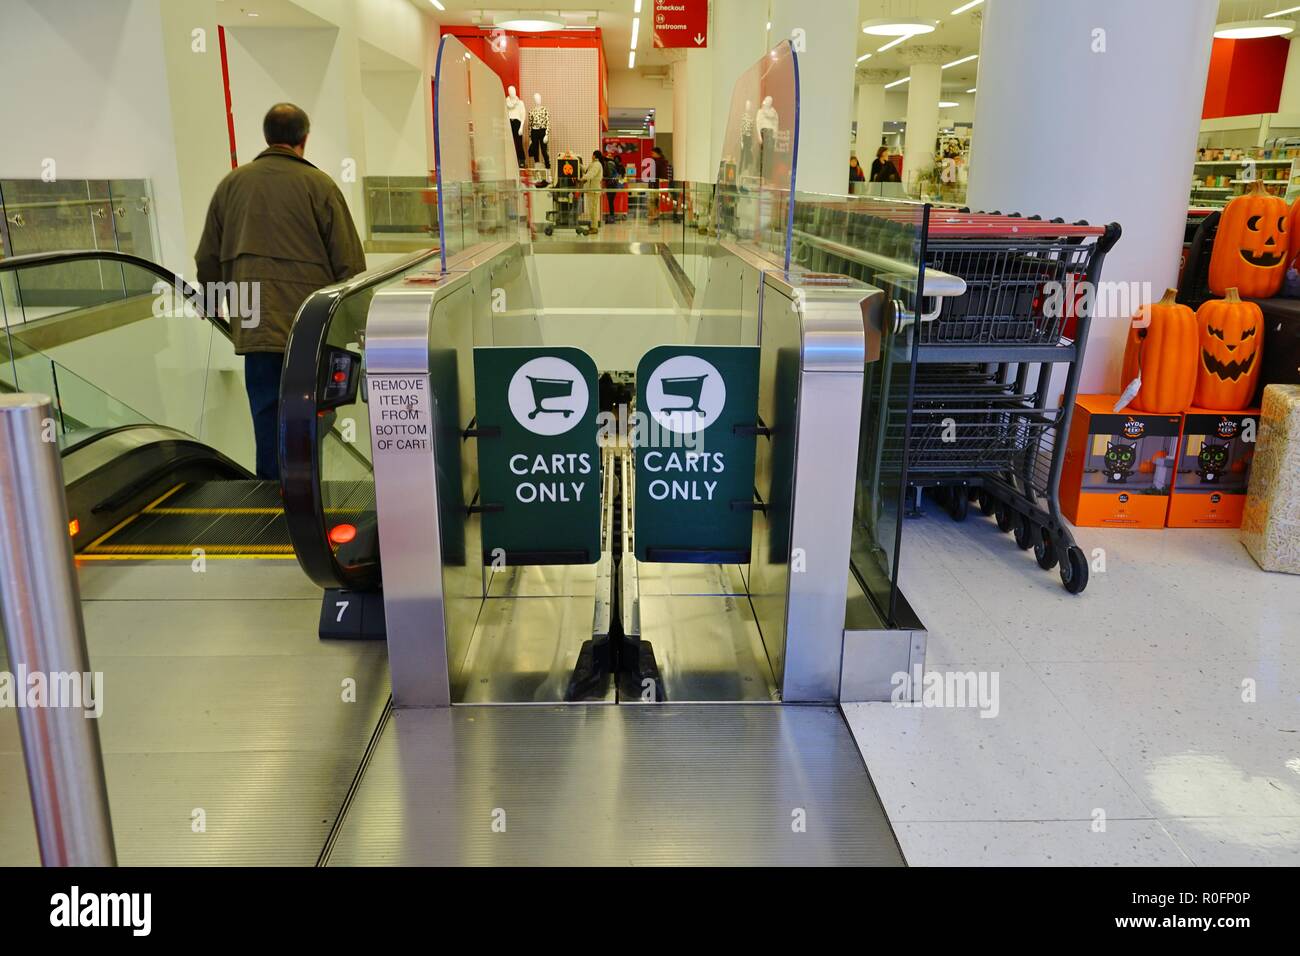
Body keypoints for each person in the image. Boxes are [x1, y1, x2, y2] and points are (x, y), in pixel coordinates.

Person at [196, 103, 366, 481]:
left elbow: (207, 257)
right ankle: (307, 504)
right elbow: (349, 265)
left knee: (267, 422)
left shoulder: (232, 185)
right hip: (311, 329)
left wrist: (215, 310)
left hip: (256, 330)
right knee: (312, 417)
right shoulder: (319, 186)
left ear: (267, 137)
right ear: (304, 139)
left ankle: (272, 506)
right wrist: (357, 328)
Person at [582, 149, 604, 233]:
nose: (591, 156)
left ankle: (594, 228)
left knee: (593, 210)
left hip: (594, 191)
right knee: (591, 210)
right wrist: (579, 165)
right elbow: (587, 171)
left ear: (594, 156)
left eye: (592, 155)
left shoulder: (597, 165)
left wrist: (582, 179)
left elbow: (591, 174)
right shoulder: (594, 164)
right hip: (591, 190)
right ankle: (593, 226)